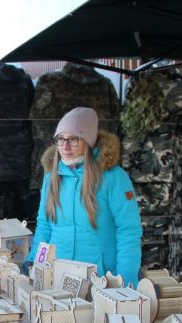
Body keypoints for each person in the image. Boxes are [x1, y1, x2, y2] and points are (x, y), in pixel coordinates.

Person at [24, 107, 142, 286]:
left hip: (100, 278)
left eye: (73, 139)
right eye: (60, 138)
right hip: (59, 276)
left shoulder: (113, 177)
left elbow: (128, 231)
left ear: (89, 141)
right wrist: (35, 260)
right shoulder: (51, 177)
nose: (65, 145)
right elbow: (45, 225)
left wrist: (125, 280)